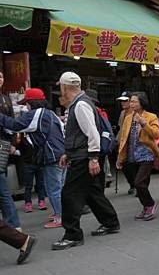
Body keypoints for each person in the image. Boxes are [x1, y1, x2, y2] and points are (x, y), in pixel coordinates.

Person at [52, 72, 120, 250]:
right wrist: (69, 153)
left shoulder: (80, 105)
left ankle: (72, 234)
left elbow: (92, 134)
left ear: (65, 87)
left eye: (61, 87)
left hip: (84, 158)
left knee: (69, 195)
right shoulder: (79, 103)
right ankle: (111, 222)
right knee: (92, 193)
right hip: (81, 155)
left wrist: (93, 158)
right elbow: (81, 135)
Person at [0, 88, 65, 229]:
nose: (26, 107)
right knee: (57, 188)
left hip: (52, 156)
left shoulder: (36, 114)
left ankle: (61, 217)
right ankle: (60, 213)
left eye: (27, 103)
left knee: (54, 190)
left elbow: (14, 125)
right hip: (60, 154)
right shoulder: (50, 114)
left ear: (32, 103)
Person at [116, 92, 159, 221]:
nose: (132, 104)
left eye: (135, 101)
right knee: (140, 185)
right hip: (132, 155)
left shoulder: (151, 116)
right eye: (131, 101)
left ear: (142, 102)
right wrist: (120, 157)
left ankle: (150, 204)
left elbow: (156, 134)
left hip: (146, 154)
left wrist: (143, 123)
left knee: (139, 182)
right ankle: (146, 207)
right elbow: (124, 138)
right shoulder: (127, 118)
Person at [0, 71, 20, 229]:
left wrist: (14, 142)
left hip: (3, 144)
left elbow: (12, 121)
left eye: (0, 77)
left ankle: (12, 225)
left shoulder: (6, 98)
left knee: (3, 187)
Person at [116, 91, 135, 195]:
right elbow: (121, 128)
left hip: (133, 142)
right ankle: (132, 184)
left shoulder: (135, 113)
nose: (123, 103)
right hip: (123, 142)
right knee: (124, 165)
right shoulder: (122, 113)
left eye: (125, 101)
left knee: (133, 164)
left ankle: (136, 185)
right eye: (121, 101)